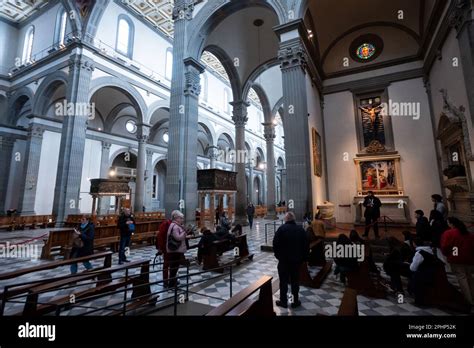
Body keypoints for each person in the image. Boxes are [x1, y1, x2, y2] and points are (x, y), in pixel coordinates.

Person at [273, 212, 308, 309]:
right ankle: (294, 301)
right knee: (295, 282)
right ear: (293, 219)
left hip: (284, 261)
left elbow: (275, 244)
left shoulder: (281, 229)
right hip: (296, 262)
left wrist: (278, 257)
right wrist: (303, 259)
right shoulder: (300, 230)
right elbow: (306, 246)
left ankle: (283, 302)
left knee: (283, 282)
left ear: (286, 219)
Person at [440, 217, 474, 304]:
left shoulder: (449, 233)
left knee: (462, 278)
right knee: (469, 277)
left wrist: (449, 254)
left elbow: (445, 247)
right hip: (469, 258)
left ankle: (468, 301)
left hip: (457, 259)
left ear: (451, 223)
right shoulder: (467, 233)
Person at [408, 237, 441, 305]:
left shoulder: (419, 253)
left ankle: (418, 301)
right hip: (432, 273)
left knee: (413, 277)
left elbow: (412, 268)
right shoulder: (430, 251)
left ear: (414, 244)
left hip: (424, 275)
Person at [166, 210, 189, 288]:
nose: (182, 220)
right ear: (176, 218)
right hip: (175, 249)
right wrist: (185, 232)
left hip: (176, 249)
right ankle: (171, 283)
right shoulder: (175, 226)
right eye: (181, 218)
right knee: (174, 266)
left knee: (175, 266)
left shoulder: (175, 225)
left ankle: (172, 281)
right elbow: (178, 238)